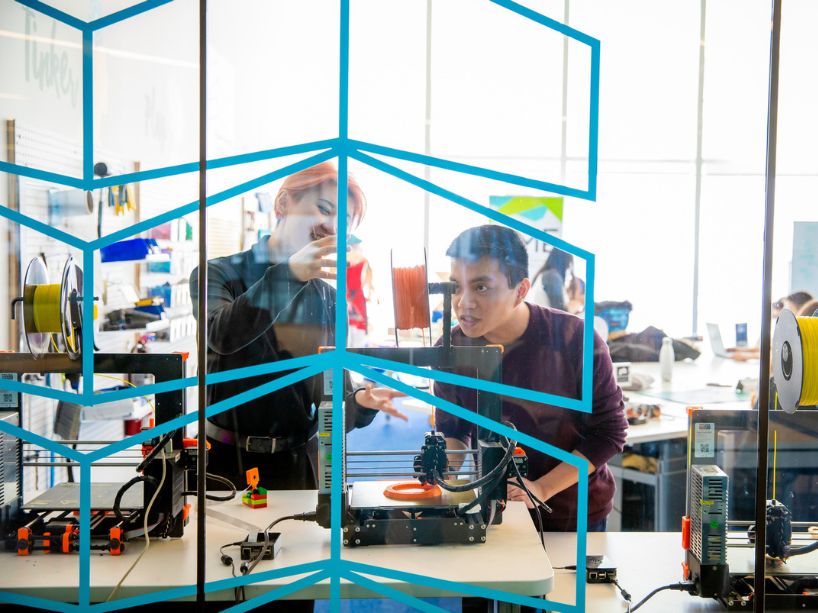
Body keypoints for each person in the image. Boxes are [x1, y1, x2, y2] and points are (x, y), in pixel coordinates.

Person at [190, 162, 406, 493]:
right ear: (283, 203)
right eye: (324, 209)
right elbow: (221, 335)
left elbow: (331, 401)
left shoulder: (329, 299)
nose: (331, 226)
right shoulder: (217, 274)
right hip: (222, 469)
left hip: (296, 470)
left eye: (344, 222)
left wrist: (361, 402)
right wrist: (288, 275)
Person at [433, 225, 628, 532]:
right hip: (495, 511)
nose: (463, 302)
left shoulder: (575, 339)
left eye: (481, 287)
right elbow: (454, 429)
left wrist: (541, 489)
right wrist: (444, 472)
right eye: (456, 286)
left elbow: (609, 432)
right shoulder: (451, 349)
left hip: (572, 516)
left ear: (521, 290)